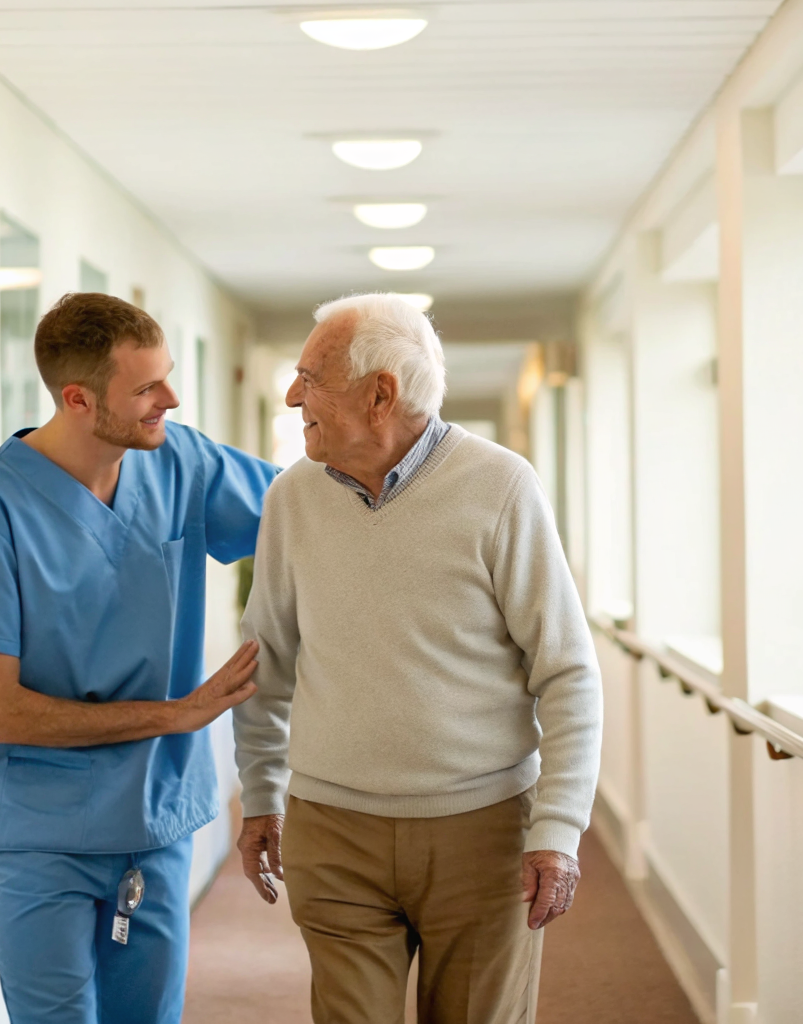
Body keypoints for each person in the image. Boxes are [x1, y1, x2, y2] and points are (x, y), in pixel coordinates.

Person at [0, 292, 277, 1024]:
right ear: (77, 399)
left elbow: (313, 515)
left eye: (166, 376)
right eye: (146, 387)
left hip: (157, 820)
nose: (171, 398)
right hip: (45, 835)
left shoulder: (184, 463)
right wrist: (178, 714)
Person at [234, 292, 603, 1024]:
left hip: (483, 829)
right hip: (331, 828)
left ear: (380, 394)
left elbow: (565, 672)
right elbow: (265, 664)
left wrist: (556, 831)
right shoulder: (291, 499)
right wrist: (261, 795)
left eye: (310, 377)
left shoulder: (500, 486)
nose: (290, 395)